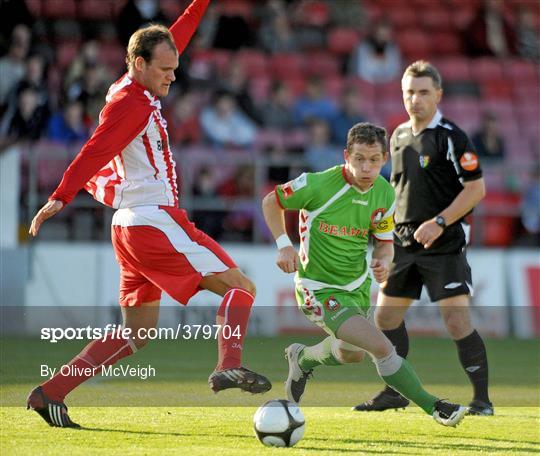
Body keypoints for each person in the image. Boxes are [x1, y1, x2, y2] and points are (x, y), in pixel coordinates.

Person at [26, 0, 271, 429]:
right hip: (153, 220)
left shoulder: (132, 85)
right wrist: (61, 196)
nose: (173, 76)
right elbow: (94, 150)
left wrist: (201, 4)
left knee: (137, 333)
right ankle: (226, 365)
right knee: (242, 288)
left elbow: (177, 34)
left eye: (174, 68)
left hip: (128, 227)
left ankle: (51, 394)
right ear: (138, 64)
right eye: (165, 70)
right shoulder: (131, 105)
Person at [262, 122, 468, 428]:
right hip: (317, 289)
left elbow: (384, 245)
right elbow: (271, 201)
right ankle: (435, 407)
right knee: (382, 348)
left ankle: (302, 359)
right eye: (358, 158)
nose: (366, 167)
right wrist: (283, 246)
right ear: (346, 154)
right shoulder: (318, 184)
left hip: (356, 288)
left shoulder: (385, 194)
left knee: (351, 354)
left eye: (373, 160)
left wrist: (383, 261)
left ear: (385, 158)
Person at [352, 61, 492, 416]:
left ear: (438, 94)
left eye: (423, 92)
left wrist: (440, 221)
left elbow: (476, 189)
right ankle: (394, 392)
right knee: (384, 319)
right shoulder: (397, 136)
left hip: (443, 243)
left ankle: (482, 401)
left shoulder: (452, 136)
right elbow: (396, 192)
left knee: (456, 321)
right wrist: (382, 237)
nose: (415, 99)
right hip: (403, 243)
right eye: (409, 92)